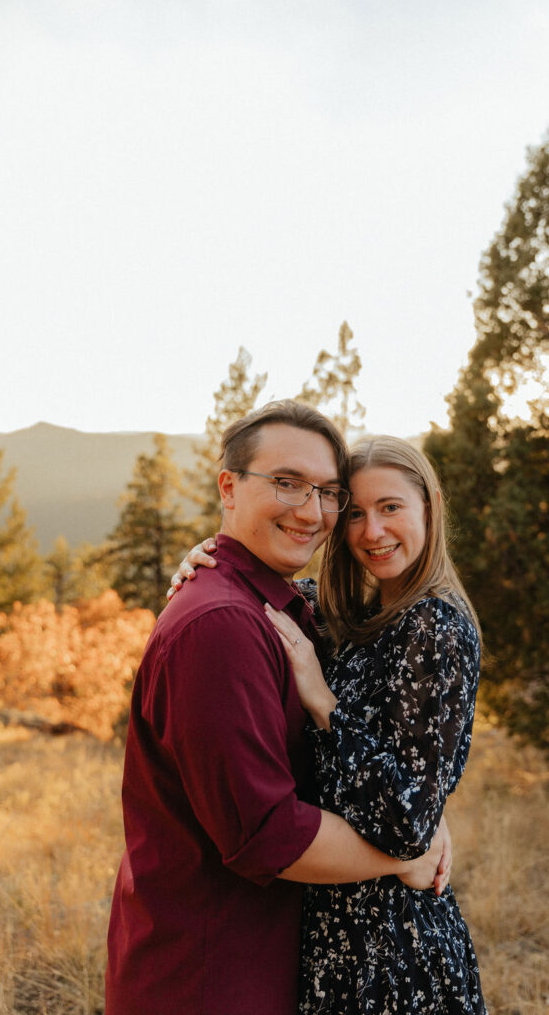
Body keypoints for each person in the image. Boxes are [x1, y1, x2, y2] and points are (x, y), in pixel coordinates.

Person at [106, 401, 451, 1015]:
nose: (311, 511)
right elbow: (267, 835)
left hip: (258, 963)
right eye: (287, 483)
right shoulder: (221, 624)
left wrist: (417, 808)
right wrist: (407, 851)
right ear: (229, 487)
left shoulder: (286, 609)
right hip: (209, 978)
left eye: (327, 492)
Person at [174, 434, 486, 1013]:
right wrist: (205, 556)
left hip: (392, 949)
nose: (372, 532)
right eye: (356, 513)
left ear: (430, 507)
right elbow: (261, 587)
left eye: (391, 507)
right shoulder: (356, 613)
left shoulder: (435, 628)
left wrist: (325, 704)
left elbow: (408, 822)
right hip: (336, 931)